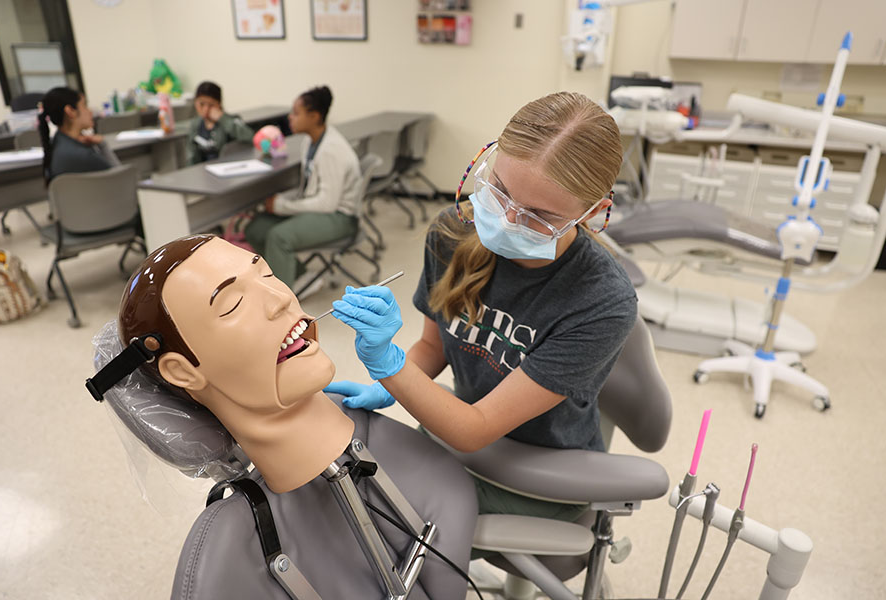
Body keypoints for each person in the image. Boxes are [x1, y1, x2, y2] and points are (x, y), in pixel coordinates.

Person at [109, 234, 476, 599]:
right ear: (183, 371)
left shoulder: (375, 435)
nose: (281, 298)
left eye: (266, 275)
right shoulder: (218, 558)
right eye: (232, 304)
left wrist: (394, 367)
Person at [327, 91, 638, 522]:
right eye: (501, 191)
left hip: (544, 471)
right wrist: (389, 383)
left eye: (537, 215)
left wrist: (388, 364)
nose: (507, 220)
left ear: (592, 212)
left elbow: (474, 429)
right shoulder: (452, 233)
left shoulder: (601, 300)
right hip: (452, 436)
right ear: (489, 156)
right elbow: (435, 350)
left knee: (387, 522)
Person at [244, 85, 362, 290]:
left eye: (296, 113)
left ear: (315, 116)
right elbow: (309, 188)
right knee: (256, 228)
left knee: (279, 236)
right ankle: (301, 279)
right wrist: (284, 203)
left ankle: (284, 297)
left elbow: (327, 203)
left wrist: (283, 206)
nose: (290, 117)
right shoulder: (309, 142)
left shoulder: (331, 150)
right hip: (325, 211)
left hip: (340, 218)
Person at [38, 86, 120, 184]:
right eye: (85, 106)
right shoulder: (83, 155)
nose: (90, 112)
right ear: (70, 111)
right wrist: (103, 145)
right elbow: (123, 179)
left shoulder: (58, 143)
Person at [185, 81, 255, 165]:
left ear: (219, 104)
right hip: (203, 170)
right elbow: (192, 157)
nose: (206, 110)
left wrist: (223, 118)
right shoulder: (195, 125)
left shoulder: (230, 120)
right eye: (202, 104)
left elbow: (250, 137)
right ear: (195, 103)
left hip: (227, 166)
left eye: (211, 105)